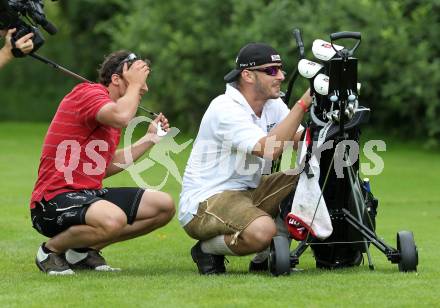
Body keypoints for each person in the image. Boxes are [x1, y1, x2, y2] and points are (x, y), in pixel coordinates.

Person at [30, 50, 175, 275]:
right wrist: (134, 87)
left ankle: (81, 253)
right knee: (113, 218)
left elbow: (102, 168)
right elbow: (121, 115)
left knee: (163, 206)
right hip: (51, 201)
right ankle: (49, 252)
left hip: (88, 194)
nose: (144, 88)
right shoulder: (88, 93)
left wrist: (150, 139)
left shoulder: (110, 117)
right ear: (116, 80)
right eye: (138, 82)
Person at [178, 42, 313, 275]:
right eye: (271, 70)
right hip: (207, 200)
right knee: (261, 230)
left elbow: (298, 137)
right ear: (248, 75)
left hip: (249, 191)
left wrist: (329, 120)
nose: (280, 76)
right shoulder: (224, 108)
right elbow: (269, 149)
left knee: (309, 178)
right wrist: (302, 105)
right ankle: (207, 250)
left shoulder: (272, 103)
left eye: (280, 69)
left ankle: (266, 258)